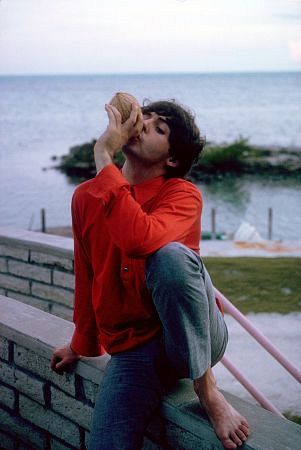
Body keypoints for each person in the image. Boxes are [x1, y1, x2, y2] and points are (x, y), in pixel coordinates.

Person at [51, 99, 250, 450]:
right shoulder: (86, 197)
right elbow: (87, 272)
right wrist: (82, 343)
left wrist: (103, 156)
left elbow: (138, 239)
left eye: (159, 128)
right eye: (147, 117)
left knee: (170, 256)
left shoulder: (183, 195)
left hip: (198, 334)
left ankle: (207, 388)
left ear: (171, 159)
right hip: (135, 346)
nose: (143, 124)